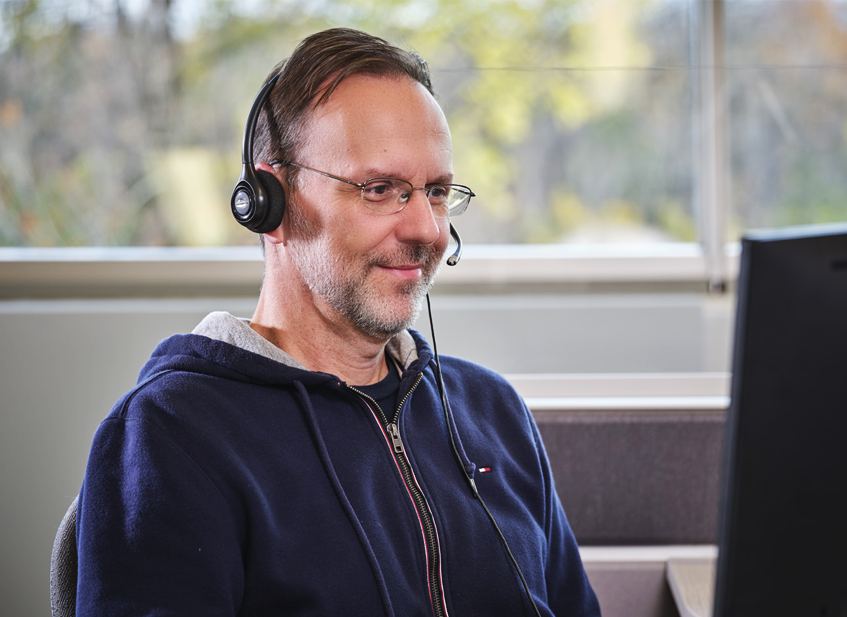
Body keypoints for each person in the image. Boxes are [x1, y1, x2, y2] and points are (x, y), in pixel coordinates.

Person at [76, 27, 601, 616]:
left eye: (435, 191)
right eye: (381, 189)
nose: (427, 229)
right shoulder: (173, 433)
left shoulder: (491, 411)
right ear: (270, 203)